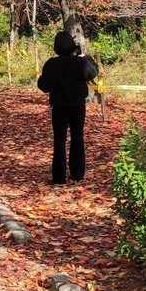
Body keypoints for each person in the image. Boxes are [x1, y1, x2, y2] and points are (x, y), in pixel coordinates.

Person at [37, 31, 99, 185]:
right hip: (78, 105)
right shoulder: (80, 63)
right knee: (78, 137)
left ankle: (59, 177)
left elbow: (44, 86)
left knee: (59, 140)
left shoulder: (52, 64)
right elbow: (93, 71)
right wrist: (85, 56)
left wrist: (42, 79)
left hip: (60, 106)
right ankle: (77, 173)